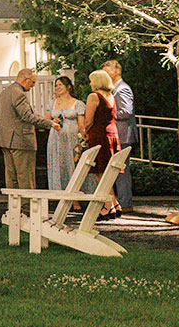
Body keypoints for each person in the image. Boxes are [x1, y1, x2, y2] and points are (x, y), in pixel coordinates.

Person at [0, 68, 53, 221]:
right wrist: (50, 123)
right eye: (32, 82)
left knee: (11, 177)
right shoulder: (19, 94)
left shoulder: (6, 92)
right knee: (25, 177)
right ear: (25, 79)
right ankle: (27, 211)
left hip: (5, 139)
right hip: (20, 140)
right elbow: (26, 116)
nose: (32, 85)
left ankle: (14, 209)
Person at [82, 68, 125, 218]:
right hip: (112, 133)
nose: (90, 84)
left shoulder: (94, 96)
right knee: (108, 172)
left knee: (100, 172)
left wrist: (83, 133)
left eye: (91, 81)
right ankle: (114, 203)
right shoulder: (111, 96)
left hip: (99, 135)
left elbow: (88, 121)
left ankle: (107, 206)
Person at [101, 58, 135, 210]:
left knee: (122, 170)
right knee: (117, 170)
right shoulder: (114, 88)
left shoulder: (123, 89)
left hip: (123, 134)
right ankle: (119, 201)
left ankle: (125, 203)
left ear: (115, 72)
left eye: (107, 72)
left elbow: (126, 112)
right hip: (117, 134)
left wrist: (108, 113)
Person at [46, 75, 85, 190]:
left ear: (68, 87)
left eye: (60, 85)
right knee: (58, 164)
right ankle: (60, 192)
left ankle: (75, 196)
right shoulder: (52, 103)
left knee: (72, 164)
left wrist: (82, 140)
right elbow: (46, 120)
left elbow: (81, 124)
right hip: (56, 138)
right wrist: (53, 121)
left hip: (71, 138)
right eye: (56, 85)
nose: (57, 87)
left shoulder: (77, 103)